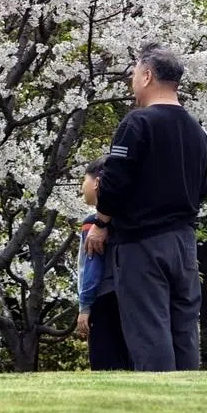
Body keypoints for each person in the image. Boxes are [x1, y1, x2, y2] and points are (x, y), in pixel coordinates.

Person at [85, 43, 207, 372]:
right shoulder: (197, 131)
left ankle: (160, 405)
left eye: (134, 74)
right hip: (183, 243)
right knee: (184, 332)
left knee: (149, 330)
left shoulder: (137, 123)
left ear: (148, 75)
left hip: (142, 244)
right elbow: (202, 190)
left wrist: (101, 222)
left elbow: (113, 182)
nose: (132, 81)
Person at [76, 156, 131, 370]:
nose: (82, 187)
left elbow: (91, 268)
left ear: (97, 182)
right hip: (128, 295)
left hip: (103, 298)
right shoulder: (124, 219)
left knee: (104, 360)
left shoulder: (93, 224)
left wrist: (85, 307)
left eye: (84, 180)